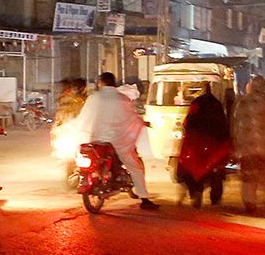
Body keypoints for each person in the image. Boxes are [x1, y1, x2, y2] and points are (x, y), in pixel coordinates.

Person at [71, 71, 156, 209]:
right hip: (118, 141)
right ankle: (144, 199)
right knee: (135, 168)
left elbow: (84, 117)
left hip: (96, 140)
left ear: (100, 83)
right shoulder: (122, 99)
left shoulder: (94, 98)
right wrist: (142, 123)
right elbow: (131, 117)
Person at [232, 76, 265, 215]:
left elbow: (236, 126)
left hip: (247, 149)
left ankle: (250, 204)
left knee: (249, 179)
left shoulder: (243, 102)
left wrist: (237, 146)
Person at [176, 89, 232, 208]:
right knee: (216, 170)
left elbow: (187, 122)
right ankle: (215, 200)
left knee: (194, 168)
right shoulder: (217, 105)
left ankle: (196, 193)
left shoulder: (196, 104)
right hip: (216, 142)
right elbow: (224, 124)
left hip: (197, 141)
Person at [49, 77, 89, 184]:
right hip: (69, 131)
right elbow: (60, 115)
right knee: (70, 156)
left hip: (79, 131)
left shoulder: (86, 99)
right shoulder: (68, 99)